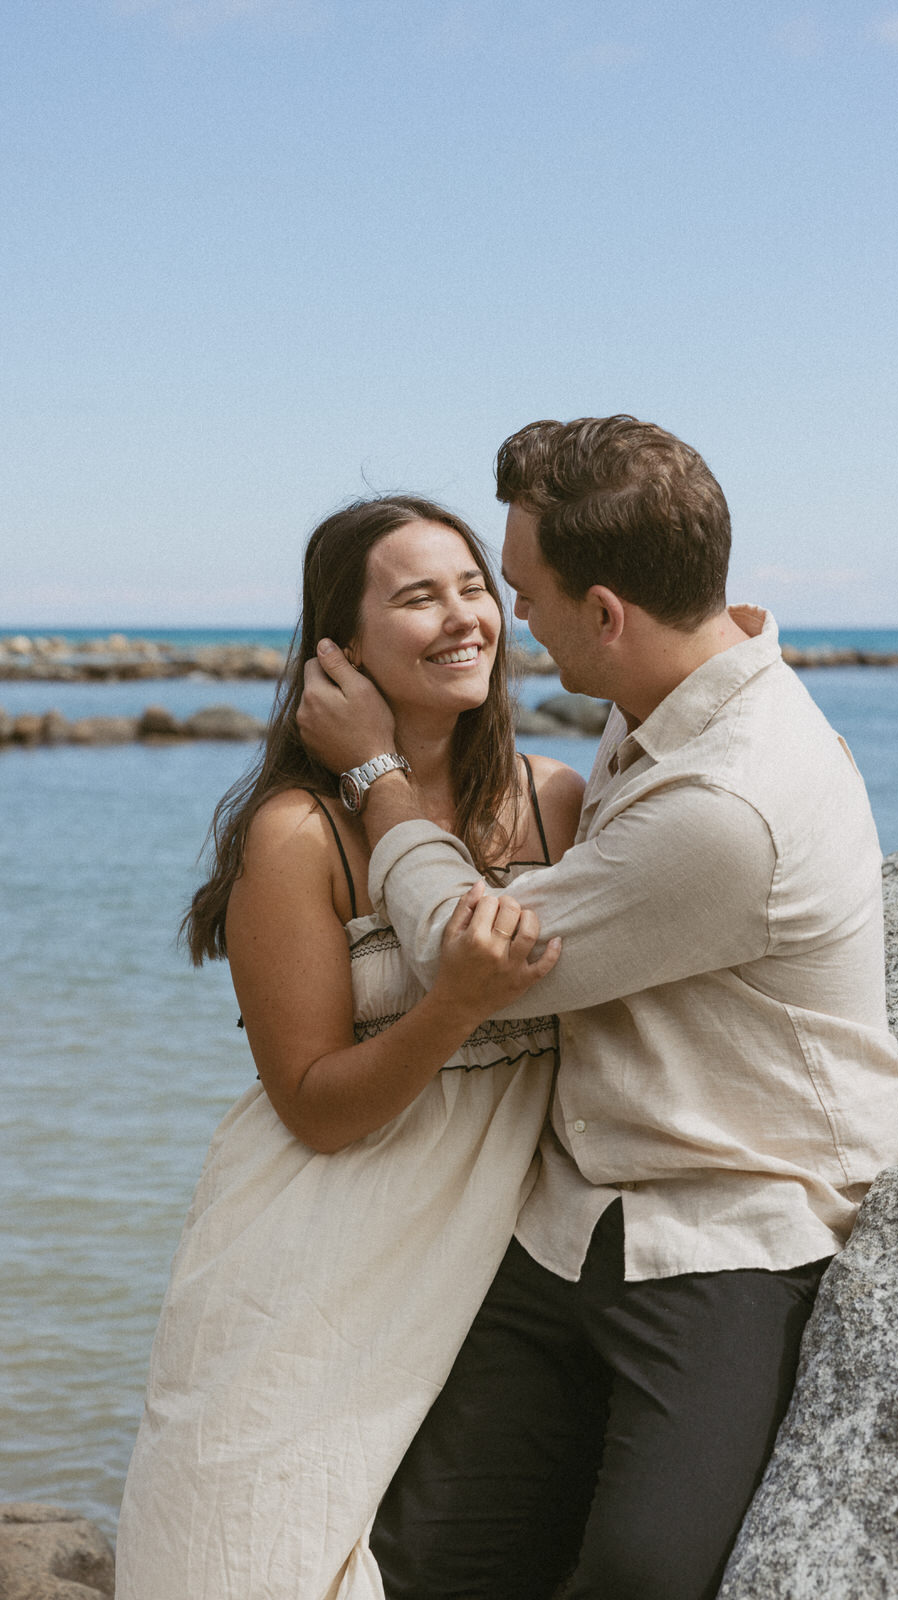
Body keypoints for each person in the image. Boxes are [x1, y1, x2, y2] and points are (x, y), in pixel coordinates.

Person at [296, 416, 898, 1600]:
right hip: (567, 1211)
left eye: (523, 594)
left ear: (607, 611)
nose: (512, 619)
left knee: (640, 1574)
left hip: (725, 1226)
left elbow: (465, 956)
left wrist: (376, 778)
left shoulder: (732, 800)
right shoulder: (660, 693)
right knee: (422, 1558)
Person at [115, 495, 585, 1600]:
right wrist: (454, 1002)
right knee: (244, 1562)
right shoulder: (298, 830)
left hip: (487, 1267)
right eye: (417, 596)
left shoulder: (553, 799)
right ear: (341, 643)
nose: (463, 617)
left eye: (474, 586)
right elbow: (313, 1103)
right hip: (308, 1260)